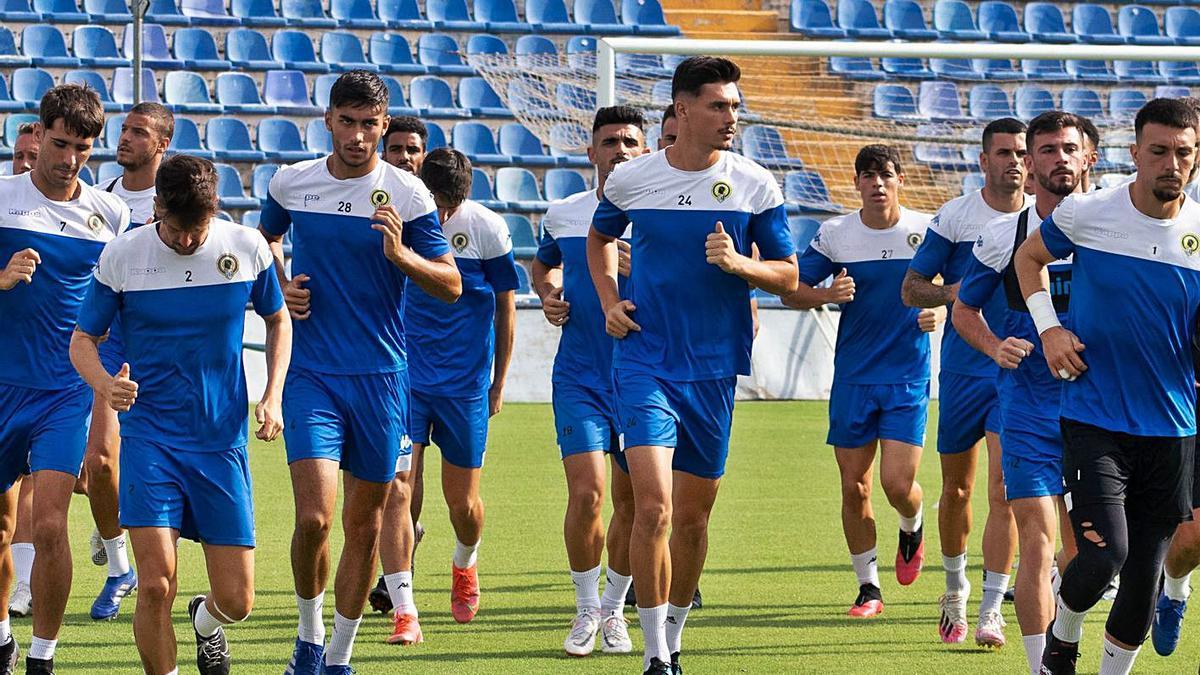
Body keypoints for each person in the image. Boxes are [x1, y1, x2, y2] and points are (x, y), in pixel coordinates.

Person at [588, 56, 798, 675]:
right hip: (645, 361)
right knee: (653, 505)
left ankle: (673, 634)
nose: (731, 117)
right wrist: (607, 300)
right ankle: (656, 655)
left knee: (694, 517)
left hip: (712, 369)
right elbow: (600, 238)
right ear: (682, 110)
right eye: (718, 105)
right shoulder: (631, 180)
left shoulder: (757, 184)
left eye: (735, 105)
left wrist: (740, 266)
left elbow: (787, 276)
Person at [259, 70, 461, 675]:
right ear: (328, 120)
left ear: (384, 123)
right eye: (346, 121)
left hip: (381, 378)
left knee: (364, 521)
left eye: (369, 123)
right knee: (315, 518)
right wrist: (279, 282)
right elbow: (262, 240)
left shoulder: (409, 194)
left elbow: (450, 284)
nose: (357, 134)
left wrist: (401, 255)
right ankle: (309, 636)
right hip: (312, 374)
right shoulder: (292, 182)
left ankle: (339, 657)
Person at [70, 154, 290, 675]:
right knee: (154, 583)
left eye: (200, 229)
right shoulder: (123, 256)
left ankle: (205, 621)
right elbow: (82, 340)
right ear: (157, 207)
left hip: (221, 443)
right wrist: (104, 384)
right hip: (151, 443)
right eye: (179, 228)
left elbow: (279, 321)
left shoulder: (246, 247)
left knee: (238, 601)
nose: (190, 242)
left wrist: (273, 393)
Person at [1014, 97, 1200, 675]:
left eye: (1185, 153)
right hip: (1094, 417)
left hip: (1172, 425)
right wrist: (1049, 331)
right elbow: (1028, 259)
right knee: (1103, 555)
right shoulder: (1089, 213)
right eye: (1161, 151)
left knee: (1144, 571)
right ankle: (1061, 636)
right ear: (1135, 153)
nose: (1173, 163)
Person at [0, 83, 130, 674]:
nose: (68, 158)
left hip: (63, 390)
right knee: (1, 529)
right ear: (38, 134)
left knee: (50, 524)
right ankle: (3, 633)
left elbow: (120, 297)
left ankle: (43, 658)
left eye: (81, 147)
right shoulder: (2, 198)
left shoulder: (111, 214)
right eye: (59, 143)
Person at [953, 111, 1089, 675]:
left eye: (1070, 149)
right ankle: (1041, 668)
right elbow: (963, 309)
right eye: (1047, 150)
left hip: (1097, 409)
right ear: (1028, 163)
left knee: (1089, 554)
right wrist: (993, 348)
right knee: (1037, 533)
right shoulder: (1000, 235)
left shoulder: (1117, 227)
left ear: (1090, 160)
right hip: (1028, 408)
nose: (1059, 158)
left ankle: (1072, 624)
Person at [785, 144, 939, 620]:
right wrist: (826, 293)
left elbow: (960, 285)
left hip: (907, 376)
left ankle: (912, 524)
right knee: (855, 486)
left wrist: (939, 306)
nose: (877, 183)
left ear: (899, 181)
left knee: (897, 483)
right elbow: (793, 292)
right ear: (855, 183)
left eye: (886, 175)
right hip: (853, 376)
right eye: (868, 176)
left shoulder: (926, 230)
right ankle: (868, 587)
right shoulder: (835, 234)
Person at [376, 147, 518, 644]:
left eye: (449, 207)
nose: (439, 216)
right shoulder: (403, 220)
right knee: (399, 487)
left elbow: (505, 308)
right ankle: (404, 606)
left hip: (464, 385)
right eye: (434, 204)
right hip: (405, 378)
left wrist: (499, 380)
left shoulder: (487, 229)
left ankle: (465, 562)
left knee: (462, 502)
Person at [901, 118, 1028, 647]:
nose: (1014, 161)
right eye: (1003, 152)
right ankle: (955, 590)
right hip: (961, 371)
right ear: (983, 161)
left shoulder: (1049, 218)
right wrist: (956, 292)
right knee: (957, 489)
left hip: (1018, 370)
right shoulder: (956, 217)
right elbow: (911, 289)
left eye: (1021, 152)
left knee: (1003, 490)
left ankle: (992, 608)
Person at [533, 105, 645, 657]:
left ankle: (615, 609)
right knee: (589, 493)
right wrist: (549, 294)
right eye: (609, 142)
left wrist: (638, 268)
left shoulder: (661, 215)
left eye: (629, 142)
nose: (619, 150)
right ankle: (584, 608)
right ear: (591, 152)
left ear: (644, 151)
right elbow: (544, 263)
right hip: (579, 377)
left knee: (632, 502)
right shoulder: (566, 213)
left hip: (643, 377)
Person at [85, 101, 175, 623]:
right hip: (113, 346)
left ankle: (159, 577)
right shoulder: (105, 197)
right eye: (123, 131)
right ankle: (121, 567)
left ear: (161, 144)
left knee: (159, 466)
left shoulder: (179, 194)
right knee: (98, 463)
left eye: (138, 133)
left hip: (167, 349)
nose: (125, 140)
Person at [367, 114, 432, 617]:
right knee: (382, 490)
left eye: (414, 149)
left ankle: (400, 588)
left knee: (403, 486)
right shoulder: (369, 201)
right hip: (367, 369)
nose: (405, 156)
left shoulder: (421, 211)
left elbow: (458, 288)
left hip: (416, 372)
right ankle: (391, 582)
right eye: (398, 148)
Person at [6, 120, 39, 621]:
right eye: (20, 155)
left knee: (35, 486)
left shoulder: (92, 213)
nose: (27, 164)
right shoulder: (2, 205)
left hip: (55, 378)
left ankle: (25, 586)